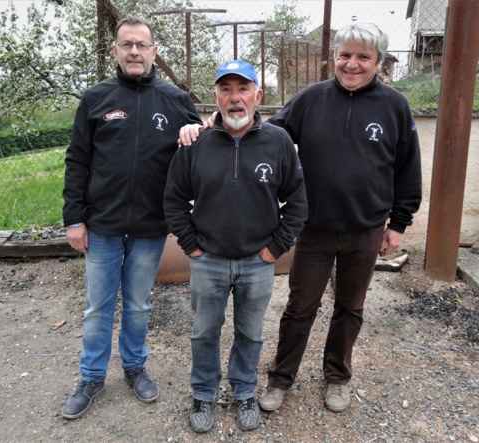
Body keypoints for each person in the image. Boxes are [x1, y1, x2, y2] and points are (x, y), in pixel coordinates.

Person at [178, 23, 422, 414]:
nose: (352, 64)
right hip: (314, 229)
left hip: (366, 228)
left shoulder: (395, 106)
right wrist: (214, 124)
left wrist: (398, 224)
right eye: (345, 54)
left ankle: (337, 377)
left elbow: (408, 169)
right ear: (334, 57)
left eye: (363, 57)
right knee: (300, 307)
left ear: (379, 62)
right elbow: (262, 132)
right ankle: (280, 379)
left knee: (350, 308)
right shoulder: (311, 98)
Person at [61, 16, 202, 420]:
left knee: (139, 305)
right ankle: (90, 377)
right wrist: (74, 218)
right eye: (127, 45)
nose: (135, 51)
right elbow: (77, 161)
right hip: (101, 224)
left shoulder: (175, 99)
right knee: (97, 306)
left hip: (150, 225)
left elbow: (198, 150)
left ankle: (134, 367)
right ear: (116, 51)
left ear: (154, 51)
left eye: (142, 45)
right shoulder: (96, 99)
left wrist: (195, 131)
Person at [164, 60, 307, 433]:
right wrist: (192, 246)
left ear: (258, 96)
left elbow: (298, 202)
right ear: (215, 97)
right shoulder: (195, 142)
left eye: (243, 89)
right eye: (226, 90)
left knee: (250, 333)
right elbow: (173, 199)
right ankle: (203, 394)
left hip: (257, 262)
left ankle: (244, 391)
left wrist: (274, 249)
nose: (235, 98)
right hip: (207, 260)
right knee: (203, 333)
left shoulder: (278, 142)